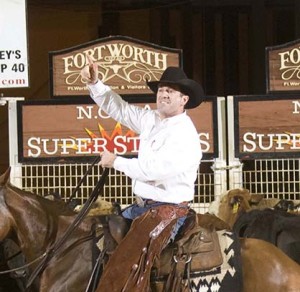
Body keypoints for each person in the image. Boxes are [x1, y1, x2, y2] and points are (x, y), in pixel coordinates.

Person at [81, 58, 205, 290]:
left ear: (183, 99)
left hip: (167, 212)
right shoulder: (151, 120)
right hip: (143, 208)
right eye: (161, 90)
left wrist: (115, 161)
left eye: (171, 91)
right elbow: (119, 109)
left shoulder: (184, 134)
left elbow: (154, 171)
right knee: (98, 240)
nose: (164, 94)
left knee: (126, 263)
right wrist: (95, 83)